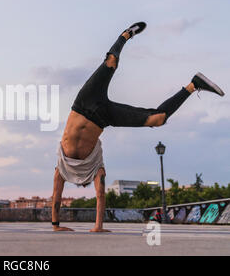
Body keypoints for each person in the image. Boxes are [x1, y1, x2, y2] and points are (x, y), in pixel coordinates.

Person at [52, 22, 224, 233]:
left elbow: (56, 196)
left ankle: (124, 35)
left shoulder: (62, 166)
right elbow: (101, 195)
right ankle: (193, 85)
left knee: (111, 62)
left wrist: (56, 226)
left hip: (83, 102)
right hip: (103, 117)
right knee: (157, 119)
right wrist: (98, 226)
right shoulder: (95, 167)